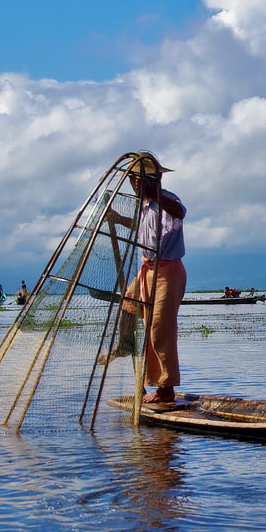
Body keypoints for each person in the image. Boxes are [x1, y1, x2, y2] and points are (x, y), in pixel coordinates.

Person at [100, 155, 187, 405]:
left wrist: (154, 191)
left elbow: (179, 212)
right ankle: (125, 345)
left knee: (160, 328)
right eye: (132, 180)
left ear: (153, 181)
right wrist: (117, 219)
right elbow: (142, 228)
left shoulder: (168, 200)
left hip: (168, 272)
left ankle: (166, 389)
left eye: (139, 180)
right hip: (146, 270)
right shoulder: (143, 206)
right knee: (127, 303)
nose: (134, 184)